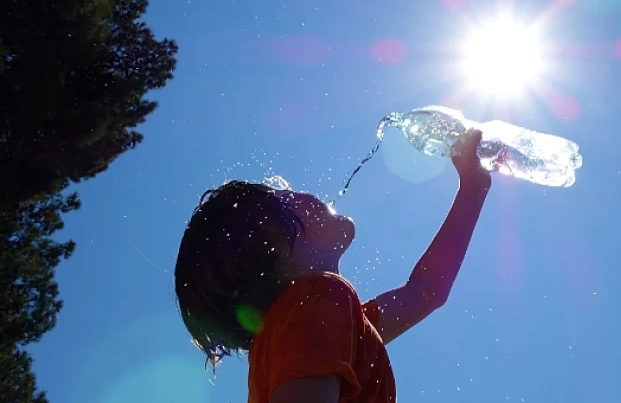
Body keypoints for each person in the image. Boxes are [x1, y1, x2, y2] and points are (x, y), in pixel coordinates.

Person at [174, 129, 491, 403]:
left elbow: (426, 291)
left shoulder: (319, 326)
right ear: (275, 240)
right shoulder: (315, 302)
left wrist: (473, 188)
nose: (302, 192)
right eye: (286, 196)